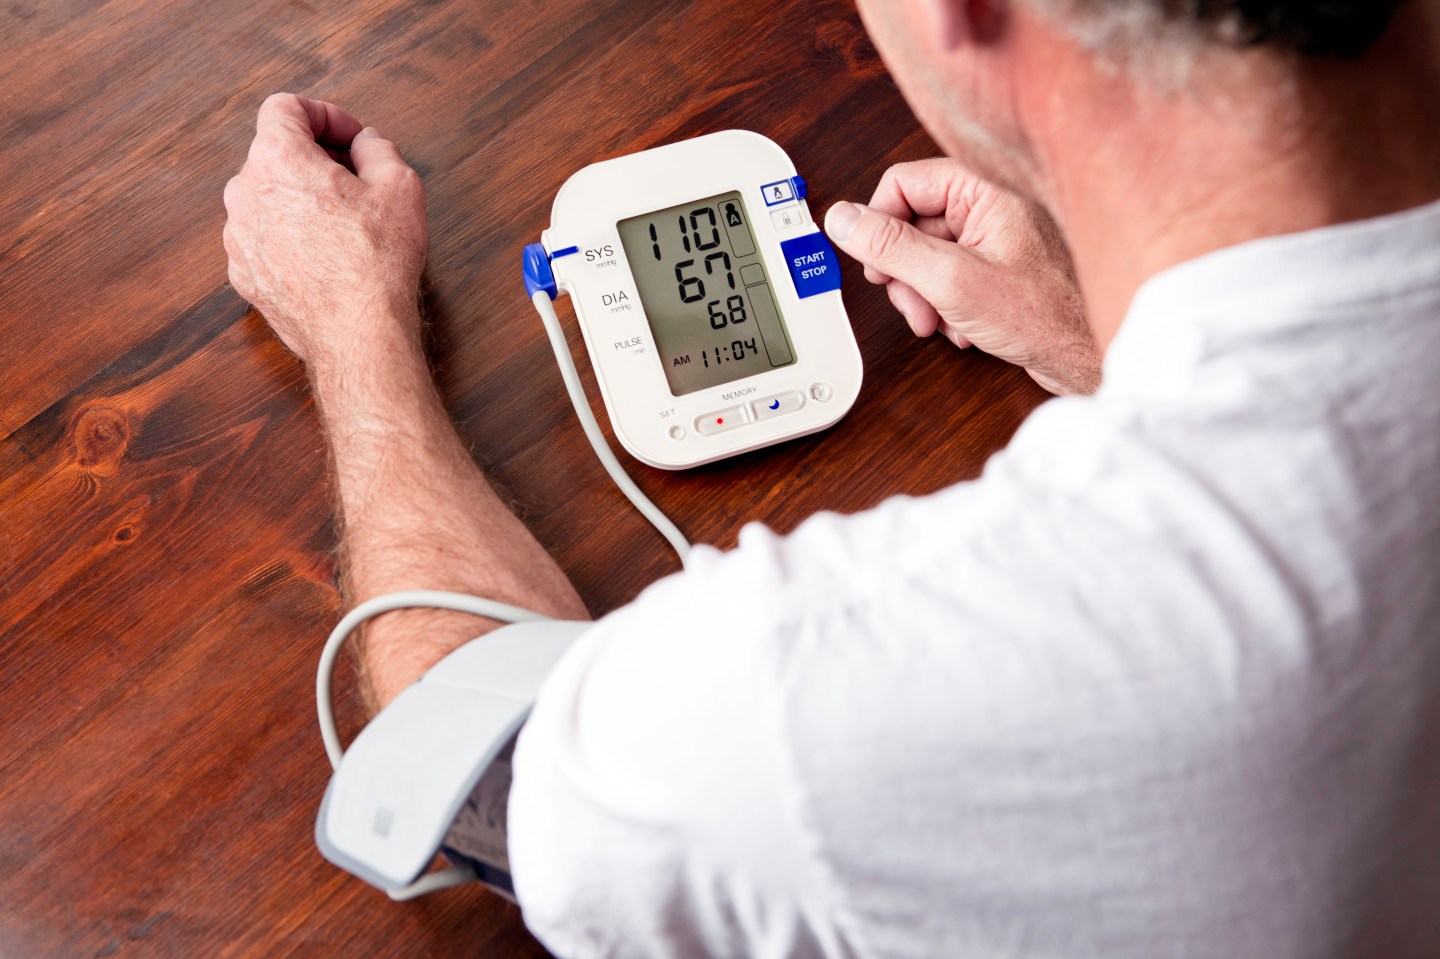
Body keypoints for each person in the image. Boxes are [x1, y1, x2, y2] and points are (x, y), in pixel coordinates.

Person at [222, 0, 1440, 955]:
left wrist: (352, 319)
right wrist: (1093, 347)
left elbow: (476, 750)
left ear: (960, 8)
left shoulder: (823, 695)